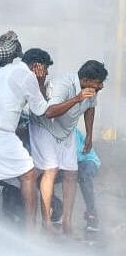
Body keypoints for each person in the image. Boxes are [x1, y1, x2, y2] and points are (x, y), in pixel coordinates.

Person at [0, 48, 60, 231]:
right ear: (37, 66)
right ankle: (31, 229)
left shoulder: (7, 69)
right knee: (30, 175)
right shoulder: (27, 76)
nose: (47, 73)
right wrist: (41, 82)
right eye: (46, 68)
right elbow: (42, 110)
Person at [29, 60, 107, 234]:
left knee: (71, 173)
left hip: (66, 130)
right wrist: (77, 98)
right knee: (51, 169)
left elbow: (90, 108)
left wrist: (89, 135)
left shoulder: (93, 90)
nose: (101, 86)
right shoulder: (62, 84)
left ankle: (67, 223)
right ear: (86, 80)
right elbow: (49, 113)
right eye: (98, 82)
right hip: (45, 127)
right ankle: (46, 222)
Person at [74, 128, 102, 232]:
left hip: (87, 160)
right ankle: (57, 207)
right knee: (40, 178)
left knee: (84, 175)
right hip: (71, 163)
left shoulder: (71, 129)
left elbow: (77, 153)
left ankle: (92, 214)